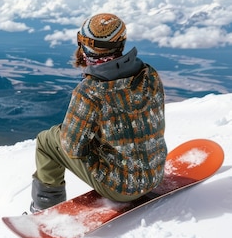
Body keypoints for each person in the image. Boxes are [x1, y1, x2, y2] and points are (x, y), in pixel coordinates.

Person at [30, 13, 167, 213]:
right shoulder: (149, 74)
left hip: (121, 188)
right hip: (155, 174)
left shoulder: (90, 91)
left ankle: (43, 210)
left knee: (47, 141)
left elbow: (72, 147)